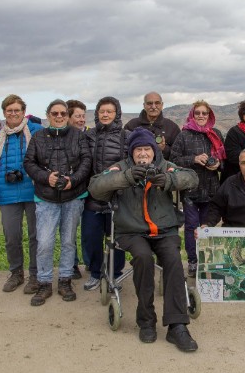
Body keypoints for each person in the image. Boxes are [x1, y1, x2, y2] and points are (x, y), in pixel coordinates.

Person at [89, 128, 200, 352]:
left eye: (146, 149)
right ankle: (146, 319)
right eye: (138, 149)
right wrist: (127, 178)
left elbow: (191, 178)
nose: (142, 154)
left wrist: (169, 180)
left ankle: (177, 326)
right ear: (131, 152)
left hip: (164, 230)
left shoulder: (165, 166)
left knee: (173, 260)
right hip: (130, 231)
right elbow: (96, 187)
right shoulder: (121, 167)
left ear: (153, 150)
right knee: (142, 257)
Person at [23, 99, 92, 306]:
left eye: (63, 113)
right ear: (48, 115)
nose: (59, 116)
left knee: (69, 241)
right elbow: (29, 162)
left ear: (67, 115)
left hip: (73, 196)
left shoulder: (78, 137)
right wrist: (46, 178)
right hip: (46, 198)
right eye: (55, 113)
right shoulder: (38, 137)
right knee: (44, 242)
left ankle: (65, 280)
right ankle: (44, 282)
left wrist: (74, 180)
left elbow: (86, 161)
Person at [0, 95, 45, 293]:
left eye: (17, 110)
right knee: (12, 236)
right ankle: (16, 273)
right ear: (4, 112)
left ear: (24, 111)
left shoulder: (36, 131)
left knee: (35, 236)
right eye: (9, 110)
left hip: (33, 190)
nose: (13, 113)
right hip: (7, 192)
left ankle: (35, 275)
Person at [169, 100, 225, 274]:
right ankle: (193, 261)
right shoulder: (183, 135)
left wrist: (218, 165)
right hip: (190, 190)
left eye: (204, 113)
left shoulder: (215, 134)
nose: (201, 116)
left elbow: (224, 159)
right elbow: (174, 160)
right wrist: (193, 159)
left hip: (211, 189)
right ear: (192, 115)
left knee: (207, 226)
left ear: (209, 116)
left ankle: (206, 260)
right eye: (198, 113)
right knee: (191, 226)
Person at [82, 96, 130, 291]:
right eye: (102, 111)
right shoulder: (88, 136)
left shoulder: (126, 136)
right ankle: (95, 272)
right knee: (90, 236)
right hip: (93, 196)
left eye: (109, 111)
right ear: (97, 114)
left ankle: (115, 274)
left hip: (118, 196)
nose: (105, 114)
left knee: (116, 238)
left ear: (116, 114)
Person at [65, 99, 89, 280]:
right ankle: (72, 264)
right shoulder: (62, 137)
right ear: (68, 117)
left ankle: (89, 262)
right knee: (70, 230)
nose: (81, 120)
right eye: (77, 116)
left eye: (83, 116)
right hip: (70, 188)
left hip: (90, 188)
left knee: (88, 229)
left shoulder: (90, 135)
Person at [124, 91, 181, 160]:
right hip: (136, 168)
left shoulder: (172, 127)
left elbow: (178, 155)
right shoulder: (132, 125)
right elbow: (124, 151)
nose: (153, 107)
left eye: (157, 103)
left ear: (162, 105)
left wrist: (164, 149)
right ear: (144, 105)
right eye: (149, 103)